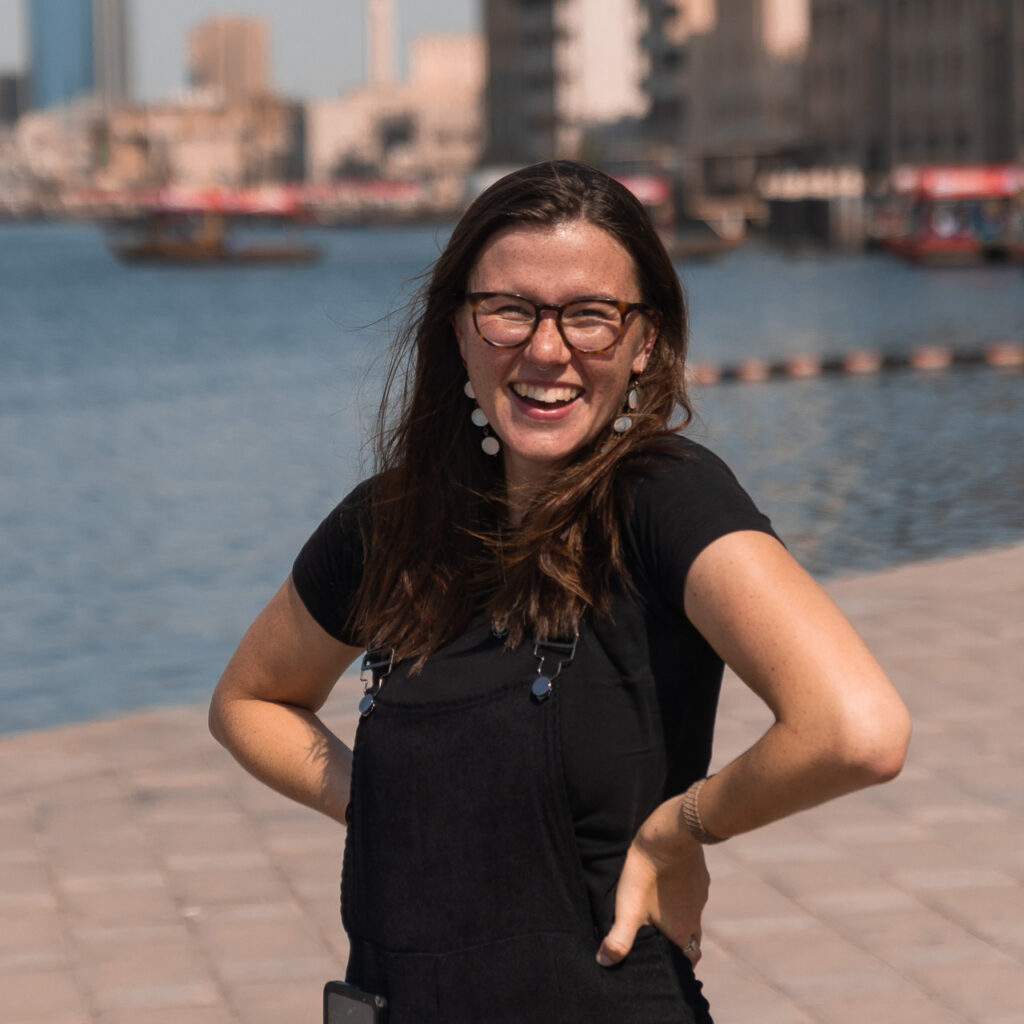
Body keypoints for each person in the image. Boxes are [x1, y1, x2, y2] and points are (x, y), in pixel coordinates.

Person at [209, 160, 911, 1023]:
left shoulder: (665, 498)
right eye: (510, 310)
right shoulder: (389, 522)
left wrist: (679, 831)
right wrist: (380, 801)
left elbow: (857, 730)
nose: (547, 349)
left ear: (644, 339)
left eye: (590, 315)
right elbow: (248, 702)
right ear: (459, 331)